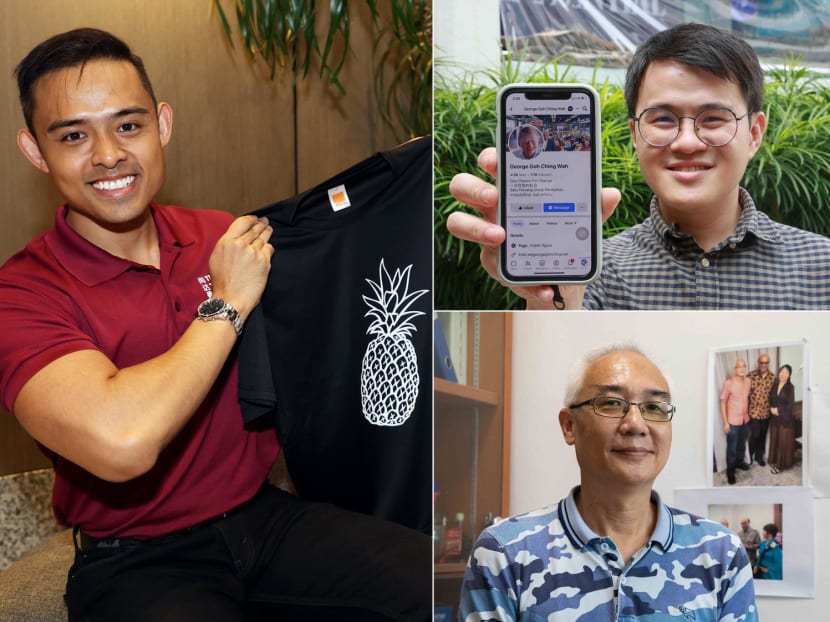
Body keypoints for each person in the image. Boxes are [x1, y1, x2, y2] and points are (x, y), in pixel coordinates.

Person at [0, 28, 429, 622]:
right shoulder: (22, 292)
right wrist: (225, 304)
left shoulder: (222, 235)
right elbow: (121, 444)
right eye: (73, 135)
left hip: (268, 520)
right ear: (35, 152)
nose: (107, 154)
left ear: (162, 125)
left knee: (441, 587)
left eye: (129, 125)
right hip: (137, 561)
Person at [446, 22, 830, 309]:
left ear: (755, 133)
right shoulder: (594, 271)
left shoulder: (821, 266)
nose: (686, 141)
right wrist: (547, 292)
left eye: (713, 118)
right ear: (634, 133)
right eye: (663, 119)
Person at [459, 344, 758, 621]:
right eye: (612, 403)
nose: (635, 424)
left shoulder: (721, 552)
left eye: (654, 407)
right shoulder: (504, 552)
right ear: (569, 426)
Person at [720, 358, 751, 484]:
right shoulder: (729, 383)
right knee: (732, 448)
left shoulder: (749, 381)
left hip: (745, 420)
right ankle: (730, 472)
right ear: (735, 369)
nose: (742, 368)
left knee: (741, 445)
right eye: (739, 367)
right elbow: (722, 402)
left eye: (744, 366)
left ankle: (739, 463)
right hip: (732, 422)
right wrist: (726, 422)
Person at [768, 364, 797, 475]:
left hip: (785, 419)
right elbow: (770, 398)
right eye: (781, 371)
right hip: (775, 418)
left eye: (786, 372)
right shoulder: (775, 384)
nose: (783, 374)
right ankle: (775, 461)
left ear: (789, 375)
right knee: (775, 440)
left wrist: (778, 410)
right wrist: (771, 408)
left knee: (782, 443)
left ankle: (780, 466)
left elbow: (790, 405)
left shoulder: (790, 387)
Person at [748, 353, 775, 466]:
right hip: (754, 412)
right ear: (758, 363)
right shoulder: (750, 375)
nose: (764, 365)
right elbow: (743, 390)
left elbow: (776, 393)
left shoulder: (773, 377)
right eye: (762, 362)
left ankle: (759, 457)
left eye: (766, 362)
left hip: (766, 413)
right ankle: (749, 456)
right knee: (755, 435)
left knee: (762, 435)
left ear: (768, 363)